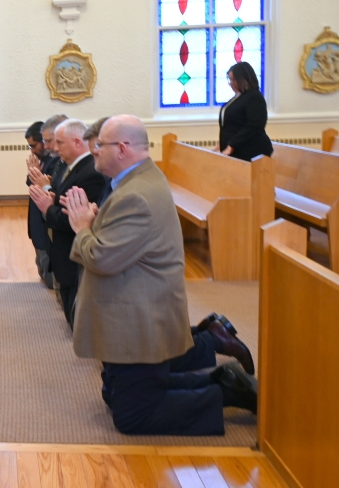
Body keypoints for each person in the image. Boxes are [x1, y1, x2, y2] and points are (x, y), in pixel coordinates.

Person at [62, 115, 257, 435]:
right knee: (114, 396)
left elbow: (102, 257)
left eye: (100, 145)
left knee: (133, 417)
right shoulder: (134, 182)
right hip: (134, 307)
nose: (94, 149)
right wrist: (94, 224)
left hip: (139, 319)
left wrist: (83, 227)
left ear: (122, 148)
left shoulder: (135, 195)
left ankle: (226, 391)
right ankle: (220, 377)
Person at [29, 119, 107, 327]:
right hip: (64, 251)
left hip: (74, 251)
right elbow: (65, 204)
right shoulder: (70, 167)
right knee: (69, 303)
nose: (54, 148)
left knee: (76, 309)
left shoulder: (90, 173)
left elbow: (72, 219)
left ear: (77, 142)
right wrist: (51, 198)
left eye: (60, 143)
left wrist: (48, 207)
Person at [26, 115, 68, 288]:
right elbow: (33, 186)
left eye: (34, 145)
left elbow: (50, 190)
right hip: (38, 221)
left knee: (51, 279)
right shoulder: (43, 161)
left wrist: (38, 178)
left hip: (48, 221)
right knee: (42, 267)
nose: (32, 150)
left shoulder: (56, 161)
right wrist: (34, 174)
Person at [218, 63, 272, 161]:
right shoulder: (238, 97)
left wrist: (232, 145)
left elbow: (254, 126)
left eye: (233, 79)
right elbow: (230, 126)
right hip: (236, 152)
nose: (230, 83)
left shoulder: (254, 97)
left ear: (243, 78)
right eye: (229, 79)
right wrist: (221, 145)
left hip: (250, 152)